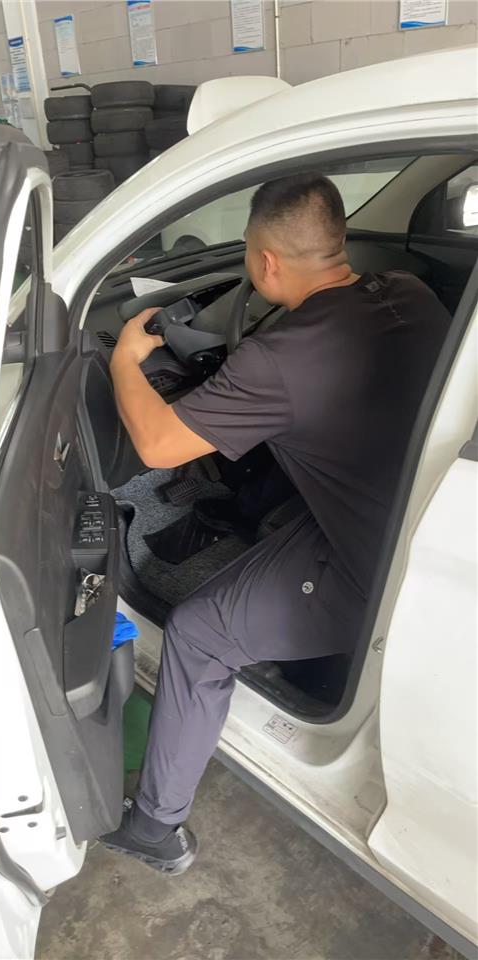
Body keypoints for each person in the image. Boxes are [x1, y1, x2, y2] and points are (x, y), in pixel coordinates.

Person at [101, 173, 450, 874]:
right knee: (267, 516)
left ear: (264, 263)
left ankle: (157, 829)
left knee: (198, 633)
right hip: (414, 507)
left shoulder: (276, 359)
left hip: (385, 570)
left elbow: (159, 446)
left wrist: (123, 363)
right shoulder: (410, 291)